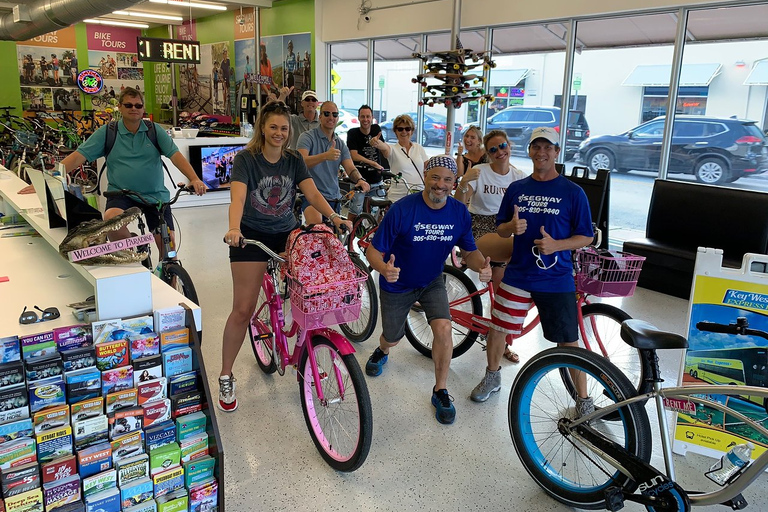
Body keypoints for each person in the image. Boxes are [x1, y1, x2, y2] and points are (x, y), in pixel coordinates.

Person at [218, 101, 352, 412]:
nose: (279, 133)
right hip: (250, 236)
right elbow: (237, 197)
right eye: (273, 127)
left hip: (286, 232)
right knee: (243, 309)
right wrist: (234, 228)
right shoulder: (246, 160)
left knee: (307, 293)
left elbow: (313, 193)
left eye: (284, 128)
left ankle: (302, 352)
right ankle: (226, 373)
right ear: (262, 129)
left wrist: (333, 217)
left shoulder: (293, 160)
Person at [469, 127, 594, 413]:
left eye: (547, 147)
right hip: (519, 274)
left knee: (569, 341)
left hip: (556, 278)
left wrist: (558, 245)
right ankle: (492, 377)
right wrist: (510, 228)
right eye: (536, 147)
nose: (541, 152)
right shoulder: (518, 188)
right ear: (529, 151)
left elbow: (586, 236)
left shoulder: (573, 193)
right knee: (498, 328)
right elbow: (500, 227)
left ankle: (584, 400)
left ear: (556, 152)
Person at [365, 155, 492, 425]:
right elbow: (373, 251)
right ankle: (383, 350)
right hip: (396, 283)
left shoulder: (458, 212)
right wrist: (383, 269)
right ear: (425, 177)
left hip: (432, 281)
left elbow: (469, 250)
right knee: (392, 337)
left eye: (447, 179)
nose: (440, 185)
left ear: (454, 182)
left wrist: (482, 266)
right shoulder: (402, 209)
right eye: (435, 177)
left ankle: (440, 390)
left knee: (444, 328)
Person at [48, 87, 207, 255]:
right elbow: (78, 157)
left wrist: (194, 178)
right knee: (111, 219)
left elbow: (175, 156)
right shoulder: (109, 132)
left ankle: (171, 277)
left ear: (143, 108)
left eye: (138, 106)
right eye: (129, 105)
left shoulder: (154, 131)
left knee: (169, 248)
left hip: (155, 196)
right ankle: (131, 254)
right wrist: (50, 178)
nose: (134, 109)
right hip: (121, 195)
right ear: (120, 107)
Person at [454, 130, 527, 363]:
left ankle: (501, 340)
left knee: (503, 291)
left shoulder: (518, 176)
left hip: (506, 227)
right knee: (518, 257)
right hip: (481, 227)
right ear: (487, 152)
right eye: (493, 149)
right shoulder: (479, 172)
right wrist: (464, 182)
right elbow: (458, 205)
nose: (499, 152)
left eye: (502, 146)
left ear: (510, 146)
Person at [297, 101, 370, 224]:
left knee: (335, 235)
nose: (331, 117)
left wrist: (360, 180)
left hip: (334, 198)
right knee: (317, 225)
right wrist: (325, 156)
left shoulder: (340, 143)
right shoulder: (307, 137)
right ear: (320, 116)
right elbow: (300, 163)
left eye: (335, 114)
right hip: (310, 196)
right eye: (327, 114)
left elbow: (350, 168)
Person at [370, 114, 427, 201]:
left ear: (411, 131)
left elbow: (428, 169)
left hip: (419, 195)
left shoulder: (419, 148)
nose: (404, 132)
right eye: (400, 129)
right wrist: (377, 143)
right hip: (398, 198)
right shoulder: (393, 149)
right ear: (395, 131)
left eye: (407, 129)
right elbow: (385, 147)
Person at [346, 104, 387, 220]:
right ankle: (349, 236)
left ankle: (377, 235)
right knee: (354, 211)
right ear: (358, 118)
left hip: (376, 180)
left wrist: (378, 144)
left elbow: (385, 150)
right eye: (363, 117)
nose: (365, 120)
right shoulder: (353, 133)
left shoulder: (376, 130)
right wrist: (372, 163)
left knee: (382, 211)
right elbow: (353, 155)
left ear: (372, 117)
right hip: (359, 181)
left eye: (368, 117)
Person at [284, 40, 297, 109]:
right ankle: (288, 102)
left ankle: (292, 102)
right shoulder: (287, 55)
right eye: (289, 47)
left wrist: (295, 69)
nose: (290, 48)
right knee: (287, 87)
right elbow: (286, 64)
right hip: (288, 72)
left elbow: (295, 63)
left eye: (291, 47)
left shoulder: (294, 55)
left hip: (292, 72)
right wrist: (286, 70)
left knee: (292, 87)